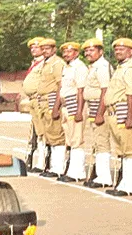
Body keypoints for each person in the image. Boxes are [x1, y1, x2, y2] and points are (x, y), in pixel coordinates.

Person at [106, 38, 132, 197]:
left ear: (131, 51)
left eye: (122, 49)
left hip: (123, 110)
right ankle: (124, 182)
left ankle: (131, 184)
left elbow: (131, 94)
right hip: (115, 111)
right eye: (116, 49)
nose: (118, 51)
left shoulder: (131, 69)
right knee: (122, 149)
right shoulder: (120, 68)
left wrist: (130, 116)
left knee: (129, 149)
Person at [79, 39, 113, 187]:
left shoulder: (102, 67)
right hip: (93, 106)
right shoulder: (93, 67)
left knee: (102, 142)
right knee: (97, 142)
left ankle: (104, 177)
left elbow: (105, 90)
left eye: (91, 50)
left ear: (100, 52)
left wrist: (100, 113)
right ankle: (99, 174)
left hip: (101, 108)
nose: (88, 53)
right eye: (86, 51)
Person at [57, 42, 89, 182]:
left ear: (76, 53)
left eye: (69, 52)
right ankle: (71, 169)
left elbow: (81, 90)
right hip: (66, 104)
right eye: (64, 52)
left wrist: (79, 111)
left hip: (75, 104)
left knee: (77, 139)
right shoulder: (67, 67)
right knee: (69, 138)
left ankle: (78, 171)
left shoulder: (79, 67)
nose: (66, 54)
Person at [38, 38, 68, 178]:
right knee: (49, 135)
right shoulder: (45, 63)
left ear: (54, 49)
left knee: (56, 134)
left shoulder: (57, 63)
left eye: (48, 48)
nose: (44, 51)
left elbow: (59, 86)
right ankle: (51, 165)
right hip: (43, 101)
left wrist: (56, 106)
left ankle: (58, 167)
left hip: (51, 101)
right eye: (43, 48)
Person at [22, 38, 49, 171]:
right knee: (37, 132)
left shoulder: (45, 63)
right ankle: (39, 160)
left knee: (43, 132)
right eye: (32, 47)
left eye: (36, 47)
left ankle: (42, 161)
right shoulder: (34, 63)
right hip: (32, 100)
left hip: (40, 100)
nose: (33, 49)